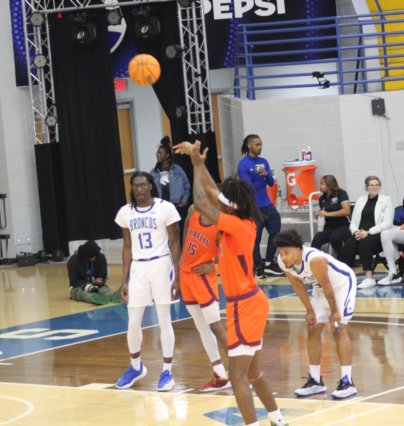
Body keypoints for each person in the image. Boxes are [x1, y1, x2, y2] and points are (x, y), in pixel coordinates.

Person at [175, 141, 287, 426]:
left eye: (224, 201)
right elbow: (212, 192)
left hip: (245, 305)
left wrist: (196, 165)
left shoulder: (236, 225)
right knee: (253, 373)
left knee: (237, 377)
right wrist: (199, 164)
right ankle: (278, 420)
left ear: (230, 206)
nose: (219, 201)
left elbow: (202, 201)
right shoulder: (239, 217)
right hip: (250, 301)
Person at [114, 171, 181, 392]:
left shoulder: (165, 208)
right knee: (133, 322)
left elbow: (175, 243)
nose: (140, 189)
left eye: (143, 185)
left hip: (161, 265)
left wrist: (178, 276)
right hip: (138, 268)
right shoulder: (125, 212)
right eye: (136, 186)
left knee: (164, 321)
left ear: (151, 186)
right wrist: (124, 280)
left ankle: (167, 371)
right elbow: (127, 247)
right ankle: (135, 367)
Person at [276, 229, 357, 400]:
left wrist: (334, 312)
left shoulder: (315, 259)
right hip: (320, 289)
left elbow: (328, 286)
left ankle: (347, 381)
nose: (283, 257)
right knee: (313, 328)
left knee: (338, 329)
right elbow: (297, 285)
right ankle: (315, 381)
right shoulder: (282, 262)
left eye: (286, 253)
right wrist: (309, 310)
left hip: (341, 284)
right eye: (281, 253)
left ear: (298, 249)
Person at [180, 204, 229, 392]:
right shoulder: (194, 210)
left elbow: (234, 256)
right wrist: (182, 254)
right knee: (201, 326)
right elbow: (186, 224)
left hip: (203, 278)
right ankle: (219, 373)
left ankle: (241, 374)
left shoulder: (223, 224)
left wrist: (215, 267)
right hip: (186, 275)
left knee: (216, 326)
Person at [237, 134, 282, 279]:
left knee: (276, 228)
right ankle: (257, 266)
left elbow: (270, 183)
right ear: (249, 145)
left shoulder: (263, 161)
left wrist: (266, 174)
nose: (260, 147)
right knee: (255, 238)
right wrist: (259, 180)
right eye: (257, 145)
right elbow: (248, 187)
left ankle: (269, 261)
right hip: (253, 206)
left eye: (261, 144)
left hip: (266, 203)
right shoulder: (243, 165)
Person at [341, 176, 394, 289]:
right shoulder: (360, 200)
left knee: (364, 244)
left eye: (377, 185)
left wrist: (368, 232)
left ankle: (369, 278)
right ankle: (348, 277)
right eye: (371, 185)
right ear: (366, 187)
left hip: (377, 234)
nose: (374, 187)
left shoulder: (386, 200)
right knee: (348, 245)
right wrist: (356, 232)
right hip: (360, 233)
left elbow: (387, 223)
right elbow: (353, 222)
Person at [150, 136, 190, 234]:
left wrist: (183, 202)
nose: (158, 155)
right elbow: (150, 192)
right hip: (160, 209)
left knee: (178, 234)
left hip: (176, 208)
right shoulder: (153, 173)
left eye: (160, 153)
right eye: (157, 153)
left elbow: (186, 187)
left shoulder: (178, 170)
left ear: (167, 155)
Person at [67, 240, 121, 305]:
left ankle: (113, 296)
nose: (94, 259)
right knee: (82, 294)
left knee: (105, 290)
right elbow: (74, 282)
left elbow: (103, 275)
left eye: (95, 256)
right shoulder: (73, 261)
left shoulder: (100, 257)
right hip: (79, 287)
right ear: (85, 255)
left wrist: (101, 281)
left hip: (96, 285)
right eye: (91, 257)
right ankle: (93, 298)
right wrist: (91, 282)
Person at [311, 175, 351, 258]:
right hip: (328, 227)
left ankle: (343, 260)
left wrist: (327, 214)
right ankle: (314, 260)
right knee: (317, 239)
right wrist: (319, 215)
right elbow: (324, 212)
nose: (320, 186)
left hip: (342, 225)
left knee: (334, 237)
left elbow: (346, 211)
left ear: (329, 185)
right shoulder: (322, 198)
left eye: (322, 184)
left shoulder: (341, 193)